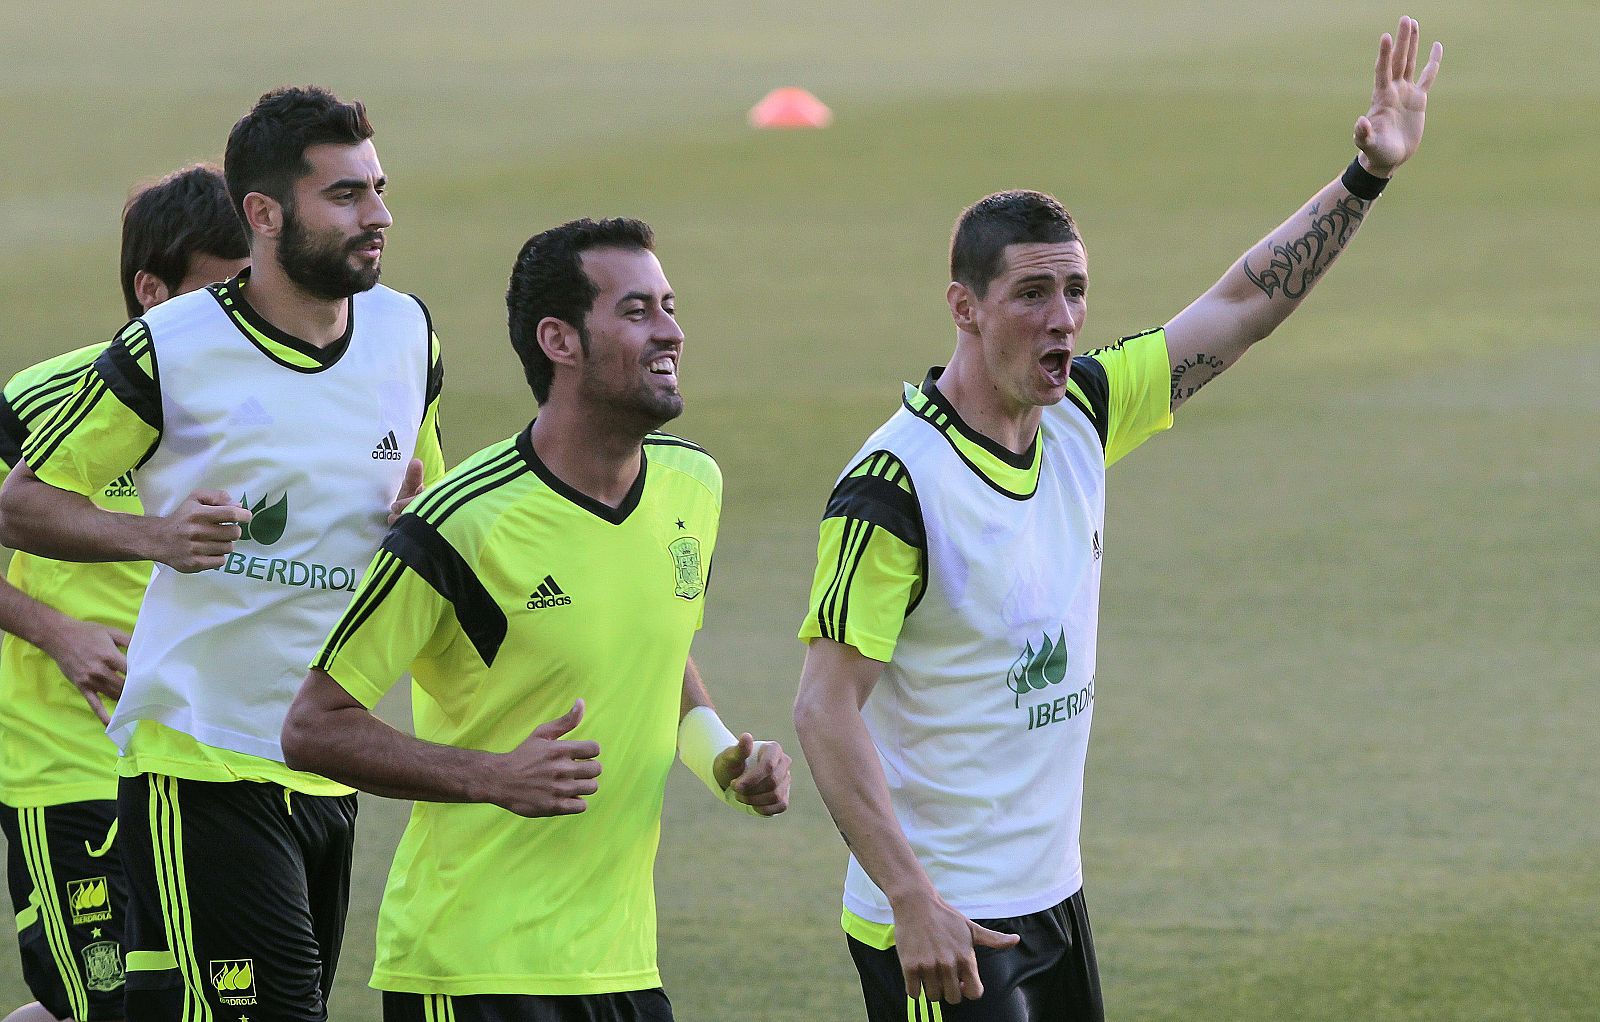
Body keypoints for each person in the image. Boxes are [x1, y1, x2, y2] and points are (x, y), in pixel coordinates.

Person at [792, 18, 1443, 1021]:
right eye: (1033, 293)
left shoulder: (1082, 414)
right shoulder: (894, 488)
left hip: (1052, 898)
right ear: (963, 308)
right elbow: (822, 707)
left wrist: (1364, 178)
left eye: (1076, 291)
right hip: (945, 919)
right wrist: (910, 894)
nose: (1063, 318)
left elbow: (1240, 304)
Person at [0, 86, 445, 1022]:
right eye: (347, 196)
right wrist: (152, 538)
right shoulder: (167, 349)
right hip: (198, 757)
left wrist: (416, 515)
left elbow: (426, 513)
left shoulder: (408, 335)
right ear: (265, 213)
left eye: (379, 188)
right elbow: (23, 506)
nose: (379, 215)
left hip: (325, 758)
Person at [280, 216, 791, 1022]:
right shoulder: (458, 526)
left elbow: (651, 651)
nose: (670, 331)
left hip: (620, 964)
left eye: (668, 305)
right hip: (475, 970)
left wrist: (724, 757)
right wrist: (493, 777)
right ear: (560, 339)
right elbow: (315, 727)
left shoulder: (694, 486)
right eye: (635, 311)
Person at [0, 163, 248, 1022]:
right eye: (224, 291)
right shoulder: (44, 401)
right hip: (67, 764)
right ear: (153, 289)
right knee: (100, 1007)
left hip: (198, 765)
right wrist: (55, 630)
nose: (246, 314)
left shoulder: (260, 407)